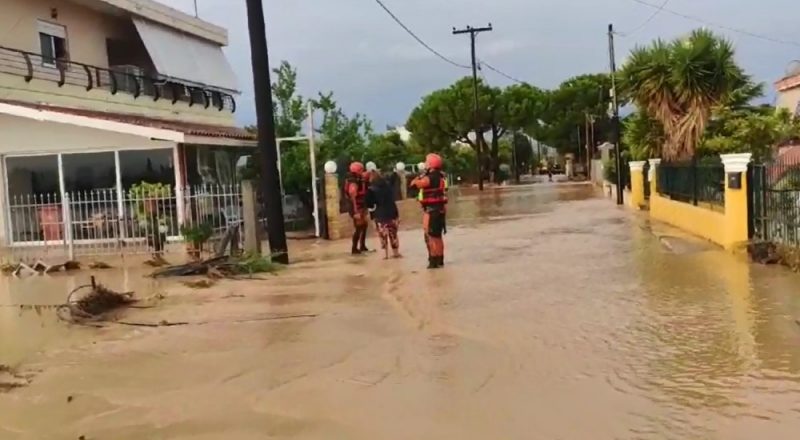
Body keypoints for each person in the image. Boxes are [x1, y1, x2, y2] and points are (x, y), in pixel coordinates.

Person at [411, 153, 448, 269]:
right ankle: (440, 259)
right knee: (438, 236)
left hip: (432, 211)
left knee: (430, 235)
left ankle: (433, 260)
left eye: (427, 162)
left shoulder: (429, 178)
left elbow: (415, 185)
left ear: (431, 164)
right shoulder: (441, 176)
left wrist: (417, 179)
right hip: (440, 209)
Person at [366, 171, 401, 259]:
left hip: (380, 214)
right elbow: (394, 177)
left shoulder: (371, 190)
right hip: (392, 212)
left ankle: (385, 254)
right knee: (393, 233)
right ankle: (396, 253)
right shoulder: (388, 186)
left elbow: (369, 204)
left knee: (382, 235)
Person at [344, 162, 370, 255]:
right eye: (361, 170)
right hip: (356, 208)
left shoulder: (357, 179)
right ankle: (354, 248)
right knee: (359, 227)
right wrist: (356, 212)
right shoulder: (353, 182)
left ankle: (362, 245)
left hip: (360, 206)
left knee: (364, 225)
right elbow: (353, 198)